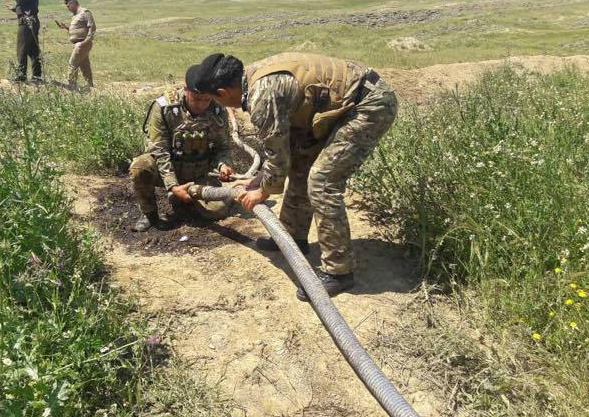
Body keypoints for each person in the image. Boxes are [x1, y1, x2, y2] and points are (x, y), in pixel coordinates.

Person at [190, 52, 398, 300]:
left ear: (223, 93)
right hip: (342, 105)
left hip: (368, 106)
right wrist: (258, 180)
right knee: (301, 165)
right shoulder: (251, 80)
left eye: (215, 100)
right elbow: (282, 149)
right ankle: (292, 239)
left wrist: (261, 192)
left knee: (323, 181)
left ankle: (339, 272)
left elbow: (278, 158)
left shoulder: (262, 96)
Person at [129, 65, 237, 232]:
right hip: (167, 170)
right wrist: (172, 186)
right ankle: (149, 214)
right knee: (140, 167)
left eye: (206, 99)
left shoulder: (217, 109)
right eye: (196, 98)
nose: (201, 105)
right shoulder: (164, 108)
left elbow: (222, 147)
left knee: (217, 211)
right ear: (186, 90)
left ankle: (185, 199)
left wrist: (224, 165)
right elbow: (160, 151)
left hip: (200, 173)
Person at [7, 0, 42, 82]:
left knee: (21, 48)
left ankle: (21, 75)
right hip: (29, 20)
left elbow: (20, 0)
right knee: (32, 50)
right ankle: (36, 76)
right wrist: (15, 9)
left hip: (27, 22)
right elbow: (26, 5)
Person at [56, 0, 96, 89]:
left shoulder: (85, 12)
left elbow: (92, 27)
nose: (68, 9)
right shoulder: (75, 15)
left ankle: (71, 87)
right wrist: (66, 27)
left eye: (68, 6)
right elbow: (78, 29)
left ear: (73, 3)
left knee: (72, 63)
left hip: (82, 43)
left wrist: (86, 41)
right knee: (84, 65)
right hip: (79, 43)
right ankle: (90, 86)